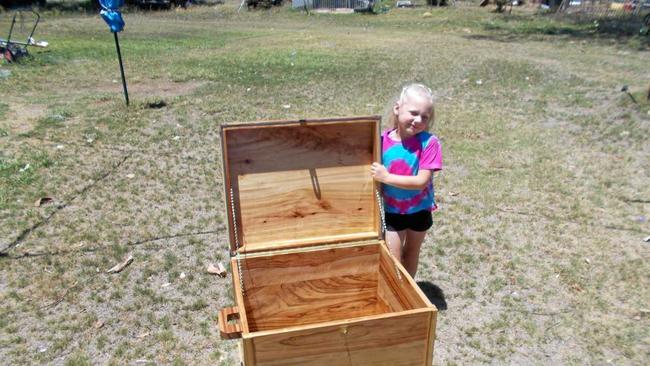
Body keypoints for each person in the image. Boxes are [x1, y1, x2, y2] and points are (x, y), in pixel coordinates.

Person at [371, 83, 442, 278]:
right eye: (413, 112)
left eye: (424, 117)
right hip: (392, 211)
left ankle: (408, 294)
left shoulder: (429, 143)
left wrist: (386, 177)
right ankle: (396, 291)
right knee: (393, 258)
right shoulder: (380, 141)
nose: (418, 120)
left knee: (411, 252)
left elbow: (421, 181)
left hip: (420, 210)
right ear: (397, 108)